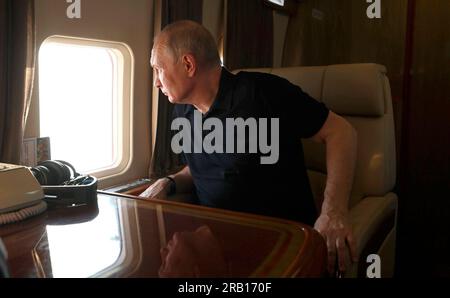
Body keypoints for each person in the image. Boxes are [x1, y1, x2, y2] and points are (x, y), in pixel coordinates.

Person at [141, 20, 358, 275]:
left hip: (279, 244)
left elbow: (341, 132)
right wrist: (170, 181)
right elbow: (204, 165)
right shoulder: (183, 111)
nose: (156, 82)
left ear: (188, 65)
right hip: (214, 244)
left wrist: (334, 211)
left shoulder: (264, 94)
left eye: (158, 69)